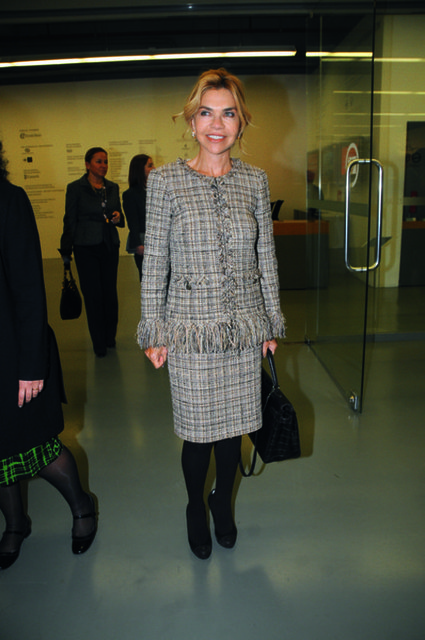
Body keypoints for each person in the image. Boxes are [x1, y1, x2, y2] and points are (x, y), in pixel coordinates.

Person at [137, 68, 285, 560]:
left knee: (234, 429)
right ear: (191, 121)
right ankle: (194, 507)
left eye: (228, 114)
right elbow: (155, 262)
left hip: (243, 329)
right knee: (199, 434)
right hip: (189, 332)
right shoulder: (165, 182)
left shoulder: (255, 181)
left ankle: (222, 503)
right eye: (206, 113)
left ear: (241, 122)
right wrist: (153, 331)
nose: (217, 125)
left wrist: (270, 323)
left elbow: (266, 258)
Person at [0, 142, 97, 570]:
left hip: (11, 353)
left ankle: (82, 507)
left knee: (36, 447)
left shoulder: (9, 200)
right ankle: (15, 524)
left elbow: (28, 287)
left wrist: (31, 366)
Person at [60, 147, 125, 357]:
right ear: (88, 164)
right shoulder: (75, 188)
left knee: (110, 294)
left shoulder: (112, 187)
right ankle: (98, 343)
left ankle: (109, 337)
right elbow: (70, 218)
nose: (103, 165)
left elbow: (120, 216)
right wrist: (66, 249)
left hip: (109, 245)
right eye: (99, 161)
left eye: (105, 161)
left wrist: (118, 217)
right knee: (93, 295)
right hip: (85, 247)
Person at [122, 154, 155, 280]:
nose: (154, 168)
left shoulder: (156, 190)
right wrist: (138, 244)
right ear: (140, 169)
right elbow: (133, 221)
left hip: (160, 241)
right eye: (150, 166)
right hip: (143, 241)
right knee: (148, 279)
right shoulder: (131, 194)